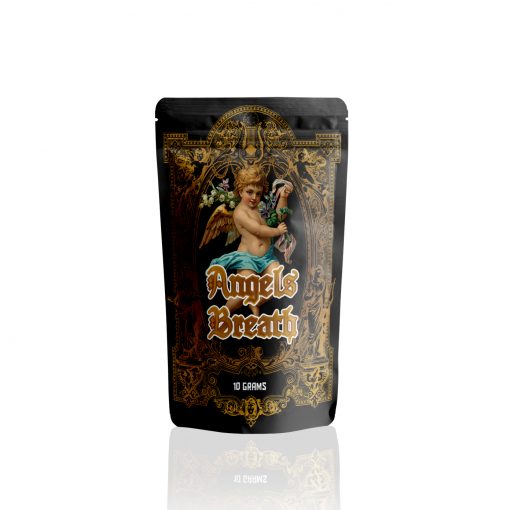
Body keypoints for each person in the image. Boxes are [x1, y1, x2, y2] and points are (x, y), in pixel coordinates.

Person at [210, 165, 292, 315]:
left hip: (267, 257)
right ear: (240, 191)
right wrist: (278, 231)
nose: (254, 197)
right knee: (244, 289)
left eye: (258, 193)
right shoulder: (240, 212)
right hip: (247, 259)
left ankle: (255, 301)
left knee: (277, 281)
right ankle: (223, 315)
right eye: (249, 192)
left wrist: (283, 198)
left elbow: (278, 217)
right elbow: (258, 230)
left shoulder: (261, 206)